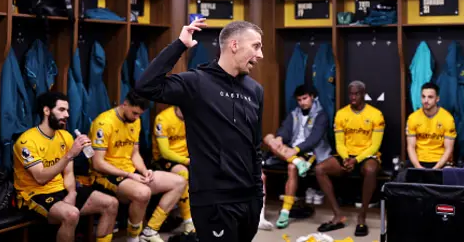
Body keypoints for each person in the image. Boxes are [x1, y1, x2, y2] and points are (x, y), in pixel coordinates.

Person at [134, 19, 266, 242]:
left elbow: (255, 145)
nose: (260, 54)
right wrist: (179, 45)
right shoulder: (196, 82)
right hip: (213, 198)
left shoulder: (255, 90)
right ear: (234, 45)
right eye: (256, 46)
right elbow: (146, 86)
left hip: (249, 198)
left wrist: (258, 194)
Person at [13, 92, 119, 242]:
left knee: (111, 203)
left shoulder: (65, 136)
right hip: (34, 194)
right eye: (62, 110)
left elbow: (68, 172)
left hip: (61, 189)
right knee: (71, 214)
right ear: (46, 111)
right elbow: (40, 178)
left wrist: (72, 193)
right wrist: (70, 154)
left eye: (68, 110)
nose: (67, 115)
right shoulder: (26, 141)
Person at [89, 92, 186, 242]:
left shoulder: (136, 120)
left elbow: (134, 153)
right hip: (106, 175)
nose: (136, 117)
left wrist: (143, 170)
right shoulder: (104, 123)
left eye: (139, 115)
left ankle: (150, 231)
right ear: (125, 104)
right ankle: (133, 238)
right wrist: (129, 175)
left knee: (179, 182)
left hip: (130, 171)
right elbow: (98, 163)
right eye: (134, 113)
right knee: (143, 193)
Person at [314, 80, 385, 237]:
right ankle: (338, 214)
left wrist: (356, 160)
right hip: (346, 156)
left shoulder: (376, 115)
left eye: (357, 94)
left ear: (363, 94)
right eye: (351, 94)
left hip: (367, 156)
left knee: (371, 169)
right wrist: (346, 158)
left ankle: (362, 216)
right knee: (320, 169)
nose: (353, 97)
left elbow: (375, 146)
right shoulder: (341, 114)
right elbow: (340, 143)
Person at [263, 85, 332, 229]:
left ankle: (285, 211)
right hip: (292, 152)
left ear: (312, 96)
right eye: (299, 100)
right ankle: (298, 162)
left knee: (291, 166)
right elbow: (285, 130)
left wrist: (296, 150)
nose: (302, 102)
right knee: (269, 138)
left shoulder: (321, 115)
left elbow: (314, 139)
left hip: (311, 153)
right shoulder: (294, 113)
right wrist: (280, 139)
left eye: (305, 98)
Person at [151, 105, 195, 235]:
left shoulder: (194, 115)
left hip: (187, 156)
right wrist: (187, 161)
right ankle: (188, 222)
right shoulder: (163, 119)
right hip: (164, 159)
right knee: (182, 173)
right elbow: (164, 152)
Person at [405, 82, 456, 169]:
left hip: (439, 161)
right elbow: (411, 146)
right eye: (423, 96)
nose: (426, 100)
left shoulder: (447, 118)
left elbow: (449, 149)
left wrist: (436, 168)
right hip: (419, 161)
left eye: (430, 97)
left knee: (449, 173)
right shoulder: (413, 118)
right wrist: (418, 167)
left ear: (437, 99)